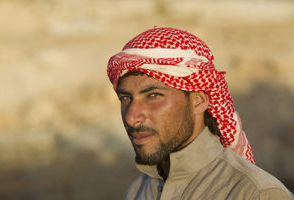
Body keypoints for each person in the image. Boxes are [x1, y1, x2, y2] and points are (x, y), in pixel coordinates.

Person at [107, 27, 293, 199]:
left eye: (153, 96)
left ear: (199, 100)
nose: (132, 118)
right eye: (125, 98)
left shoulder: (254, 193)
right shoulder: (138, 190)